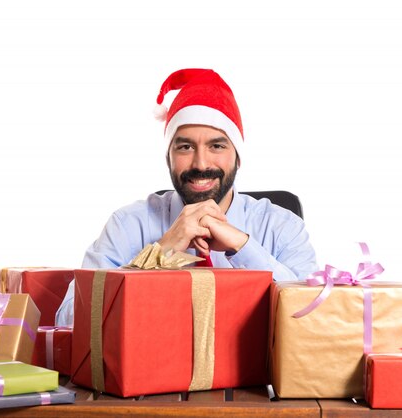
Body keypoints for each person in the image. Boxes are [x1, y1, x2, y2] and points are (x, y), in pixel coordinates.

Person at [55, 68, 317, 326]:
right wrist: (159, 254)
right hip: (153, 367)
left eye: (216, 146)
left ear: (237, 157)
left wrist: (243, 247)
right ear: (168, 157)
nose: (201, 163)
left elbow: (315, 321)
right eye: (185, 147)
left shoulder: (283, 226)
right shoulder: (127, 224)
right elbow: (69, 320)